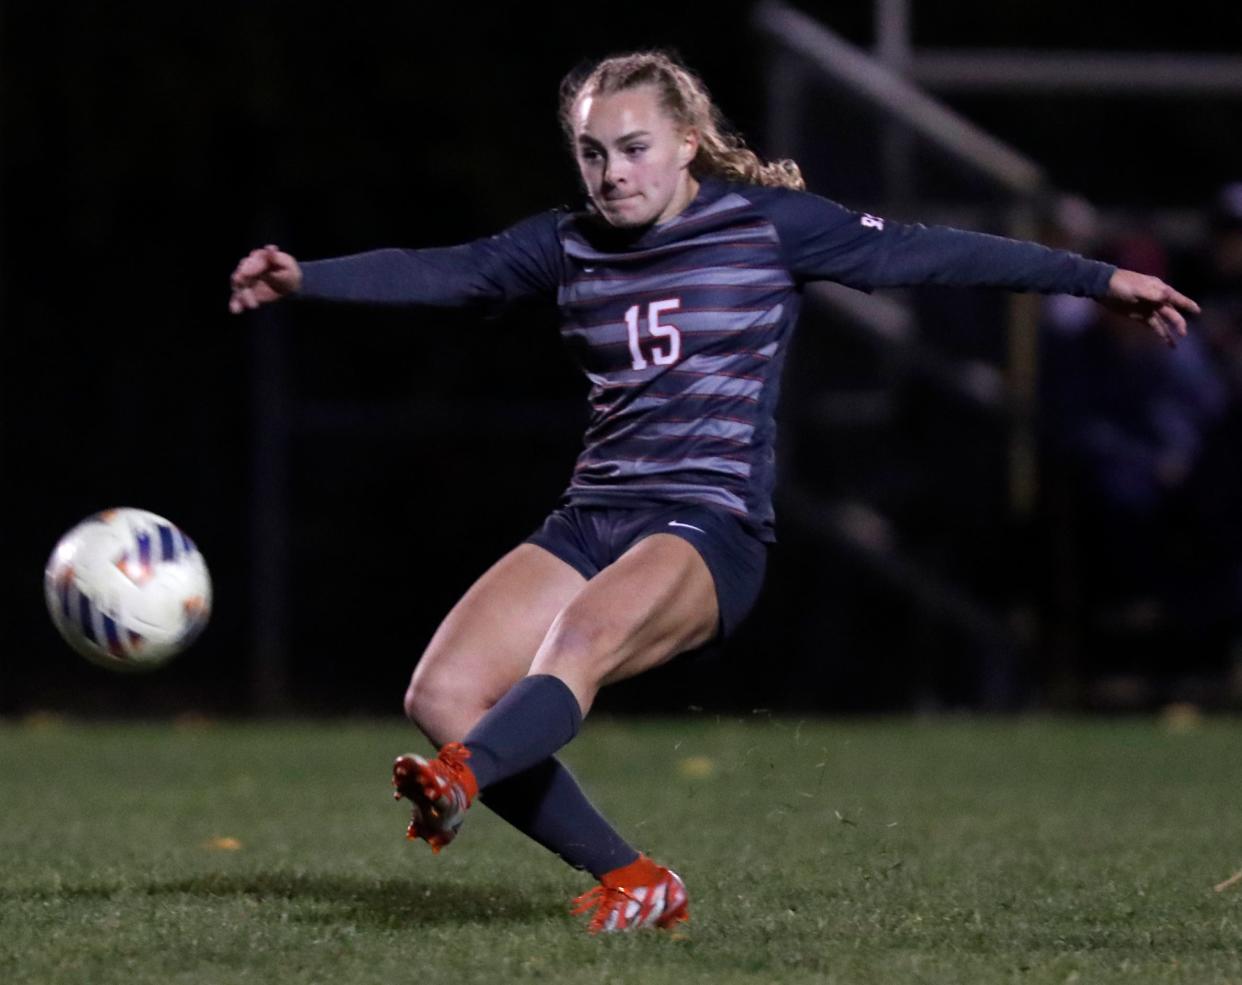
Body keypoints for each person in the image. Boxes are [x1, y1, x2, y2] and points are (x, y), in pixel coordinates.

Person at [229, 50, 1199, 933]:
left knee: (579, 642)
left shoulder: (768, 227)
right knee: (442, 691)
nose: (614, 174)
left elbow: (931, 251)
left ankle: (462, 779)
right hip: (594, 514)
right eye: (593, 153)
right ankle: (634, 878)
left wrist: (1099, 277)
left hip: (708, 524)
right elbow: (451, 271)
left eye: (636, 148)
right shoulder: (566, 244)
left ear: (687, 142)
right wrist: (306, 276)